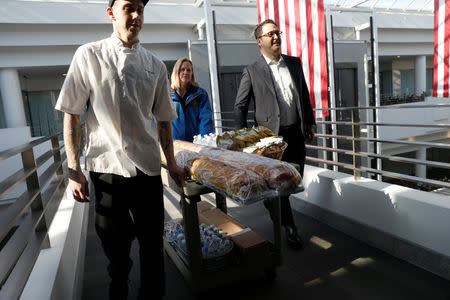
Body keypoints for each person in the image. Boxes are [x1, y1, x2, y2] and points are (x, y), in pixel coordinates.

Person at [54, 0, 186, 299]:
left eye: (140, 9)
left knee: (152, 247)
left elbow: (164, 122)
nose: (136, 15)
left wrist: (172, 164)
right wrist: (74, 169)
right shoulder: (88, 55)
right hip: (106, 169)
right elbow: (72, 115)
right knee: (116, 252)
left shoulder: (155, 65)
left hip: (148, 170)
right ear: (112, 13)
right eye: (129, 8)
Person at [234, 19, 316, 250]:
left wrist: (309, 123)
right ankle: (290, 227)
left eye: (277, 32)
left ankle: (273, 205)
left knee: (292, 179)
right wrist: (245, 140)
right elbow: (240, 106)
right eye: (270, 34)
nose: (276, 37)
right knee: (279, 184)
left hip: (296, 135)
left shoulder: (294, 63)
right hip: (271, 140)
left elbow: (303, 95)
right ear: (260, 41)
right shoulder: (252, 71)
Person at [170, 57, 214, 142]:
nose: (185, 72)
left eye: (188, 70)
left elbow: (205, 120)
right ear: (176, 72)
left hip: (194, 144)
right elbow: (160, 121)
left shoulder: (200, 94)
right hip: (175, 145)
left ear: (192, 73)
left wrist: (206, 142)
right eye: (182, 69)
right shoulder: (167, 95)